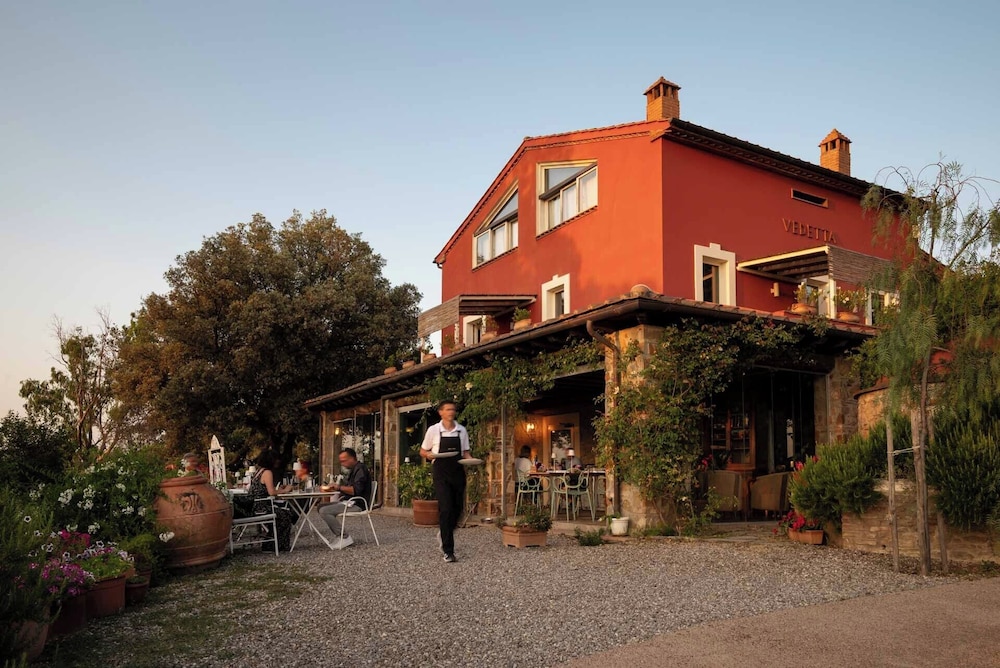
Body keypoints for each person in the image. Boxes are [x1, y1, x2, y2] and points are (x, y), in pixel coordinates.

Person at [420, 400, 471, 563]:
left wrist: (472, 460)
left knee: (458, 510)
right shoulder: (434, 430)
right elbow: (423, 451)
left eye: (453, 409)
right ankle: (448, 551)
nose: (451, 412)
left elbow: (465, 453)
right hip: (441, 473)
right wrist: (428, 455)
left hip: (458, 472)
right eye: (448, 409)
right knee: (446, 509)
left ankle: (444, 532)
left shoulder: (461, 430)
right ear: (441, 412)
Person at [318, 448, 371, 549]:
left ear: (352, 458)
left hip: (357, 504)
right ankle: (339, 536)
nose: (342, 463)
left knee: (324, 511)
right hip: (349, 502)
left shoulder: (360, 470)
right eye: (341, 461)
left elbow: (355, 490)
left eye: (344, 461)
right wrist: (331, 489)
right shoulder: (354, 470)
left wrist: (338, 487)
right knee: (320, 506)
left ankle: (344, 537)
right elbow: (346, 489)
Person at [246, 448, 296, 552]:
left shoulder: (259, 471)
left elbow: (266, 489)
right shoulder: (267, 472)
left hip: (254, 506)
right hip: (262, 507)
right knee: (286, 514)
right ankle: (275, 545)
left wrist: (279, 489)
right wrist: (286, 490)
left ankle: (274, 543)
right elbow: (272, 492)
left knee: (284, 513)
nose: (277, 461)